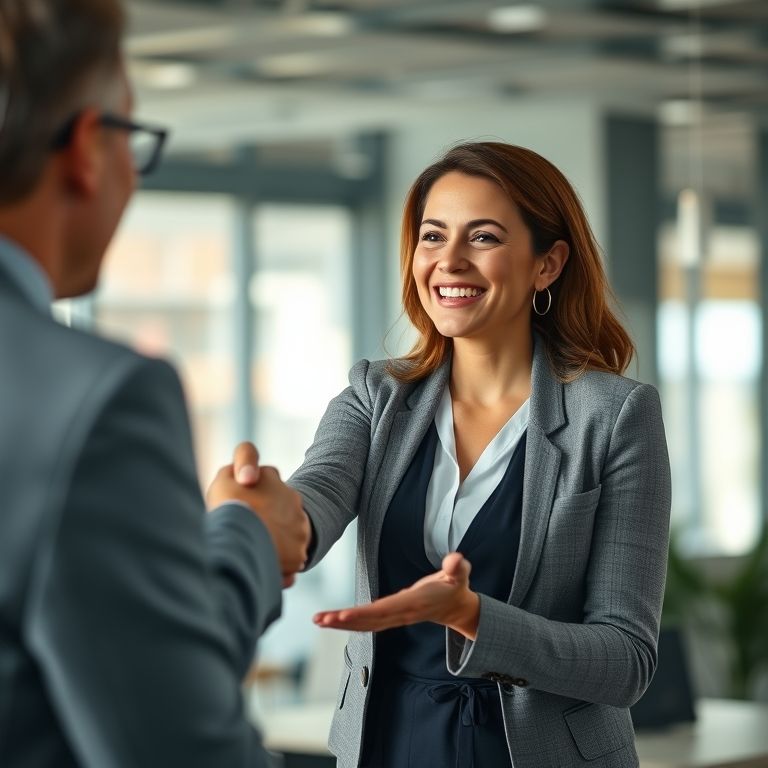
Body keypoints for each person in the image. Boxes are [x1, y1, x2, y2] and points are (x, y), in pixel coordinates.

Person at [236, 142, 672, 767]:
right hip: (391, 743)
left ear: (547, 264)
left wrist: (474, 618)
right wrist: (265, 513)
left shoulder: (615, 416)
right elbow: (317, 496)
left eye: (484, 237)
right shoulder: (375, 396)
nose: (449, 261)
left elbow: (626, 661)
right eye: (433, 236)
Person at [0, 1, 310, 766]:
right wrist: (246, 535)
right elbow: (179, 743)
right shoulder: (93, 401)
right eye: (130, 137)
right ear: (85, 148)